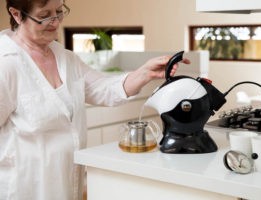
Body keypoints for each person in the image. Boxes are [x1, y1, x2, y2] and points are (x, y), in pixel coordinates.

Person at [0, 0, 190, 199]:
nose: (55, 21)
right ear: (17, 15)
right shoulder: (6, 64)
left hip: (68, 183)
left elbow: (103, 89)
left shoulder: (66, 58)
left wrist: (145, 72)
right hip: (24, 188)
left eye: (59, 12)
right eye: (44, 15)